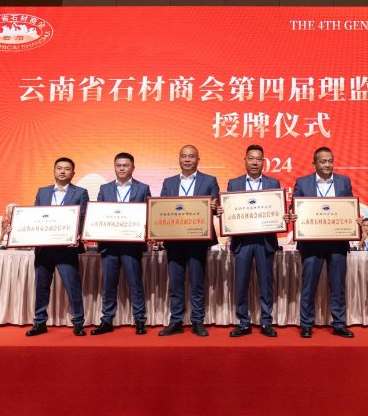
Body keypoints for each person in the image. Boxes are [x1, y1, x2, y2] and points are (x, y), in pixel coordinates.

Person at [292, 147, 358, 338]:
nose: (327, 164)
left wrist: (354, 219)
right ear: (314, 163)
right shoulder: (302, 182)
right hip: (311, 242)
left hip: (337, 242)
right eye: (323, 161)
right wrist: (293, 214)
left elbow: (349, 206)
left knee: (338, 286)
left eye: (330, 161)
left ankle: (339, 323)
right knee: (308, 285)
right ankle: (306, 324)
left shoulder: (344, 181)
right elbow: (295, 206)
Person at [158, 145, 220, 337]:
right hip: (174, 240)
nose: (187, 159)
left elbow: (217, 207)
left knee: (197, 282)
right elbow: (161, 208)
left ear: (198, 159)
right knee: (175, 283)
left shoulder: (209, 180)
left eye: (191, 156)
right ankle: (176, 321)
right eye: (184, 156)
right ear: (179, 159)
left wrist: (214, 206)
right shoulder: (168, 182)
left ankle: (197, 321)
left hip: (197, 240)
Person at [220, 144, 279, 338]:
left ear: (264, 162)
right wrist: (223, 212)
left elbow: (276, 209)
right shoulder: (234, 184)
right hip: (242, 241)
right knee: (241, 284)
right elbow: (229, 210)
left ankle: (266, 322)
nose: (255, 162)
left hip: (265, 240)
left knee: (266, 284)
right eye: (251, 158)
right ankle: (243, 322)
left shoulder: (273, 183)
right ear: (244, 160)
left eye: (258, 159)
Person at [26, 157, 89, 337]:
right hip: (44, 248)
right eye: (59, 168)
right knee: (41, 287)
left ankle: (78, 323)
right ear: (54, 171)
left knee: (72, 286)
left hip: (67, 248)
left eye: (67, 169)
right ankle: (39, 323)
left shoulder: (80, 192)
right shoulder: (42, 191)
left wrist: (78, 234)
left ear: (73, 173)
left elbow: (83, 217)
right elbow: (35, 216)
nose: (62, 171)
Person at [91, 153, 152, 336]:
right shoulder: (104, 189)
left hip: (132, 246)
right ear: (114, 167)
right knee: (108, 285)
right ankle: (107, 320)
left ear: (133, 167)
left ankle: (140, 320)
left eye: (126, 165)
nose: (122, 168)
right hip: (109, 245)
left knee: (135, 284)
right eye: (119, 165)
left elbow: (149, 214)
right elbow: (98, 214)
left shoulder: (143, 188)